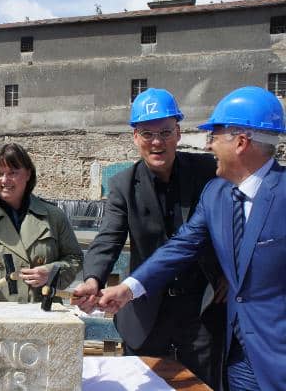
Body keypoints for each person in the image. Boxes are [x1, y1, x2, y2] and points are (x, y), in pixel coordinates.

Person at [96, 86, 286, 391]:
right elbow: (180, 247)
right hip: (235, 358)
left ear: (240, 142)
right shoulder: (217, 194)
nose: (209, 146)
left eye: (215, 136)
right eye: (147, 133)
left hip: (274, 355)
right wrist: (127, 289)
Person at [74, 88, 225, 389]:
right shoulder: (123, 186)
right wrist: (92, 279)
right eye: (147, 133)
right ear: (135, 138)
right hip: (147, 315)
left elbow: (237, 224)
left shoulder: (208, 171)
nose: (157, 142)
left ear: (179, 133)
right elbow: (108, 239)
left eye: (165, 132)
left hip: (202, 312)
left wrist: (230, 275)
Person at [0, 143, 82, 302]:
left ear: (28, 174)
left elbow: (74, 258)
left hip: (42, 312)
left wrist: (51, 272)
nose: (4, 180)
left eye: (12, 173)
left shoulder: (54, 216)